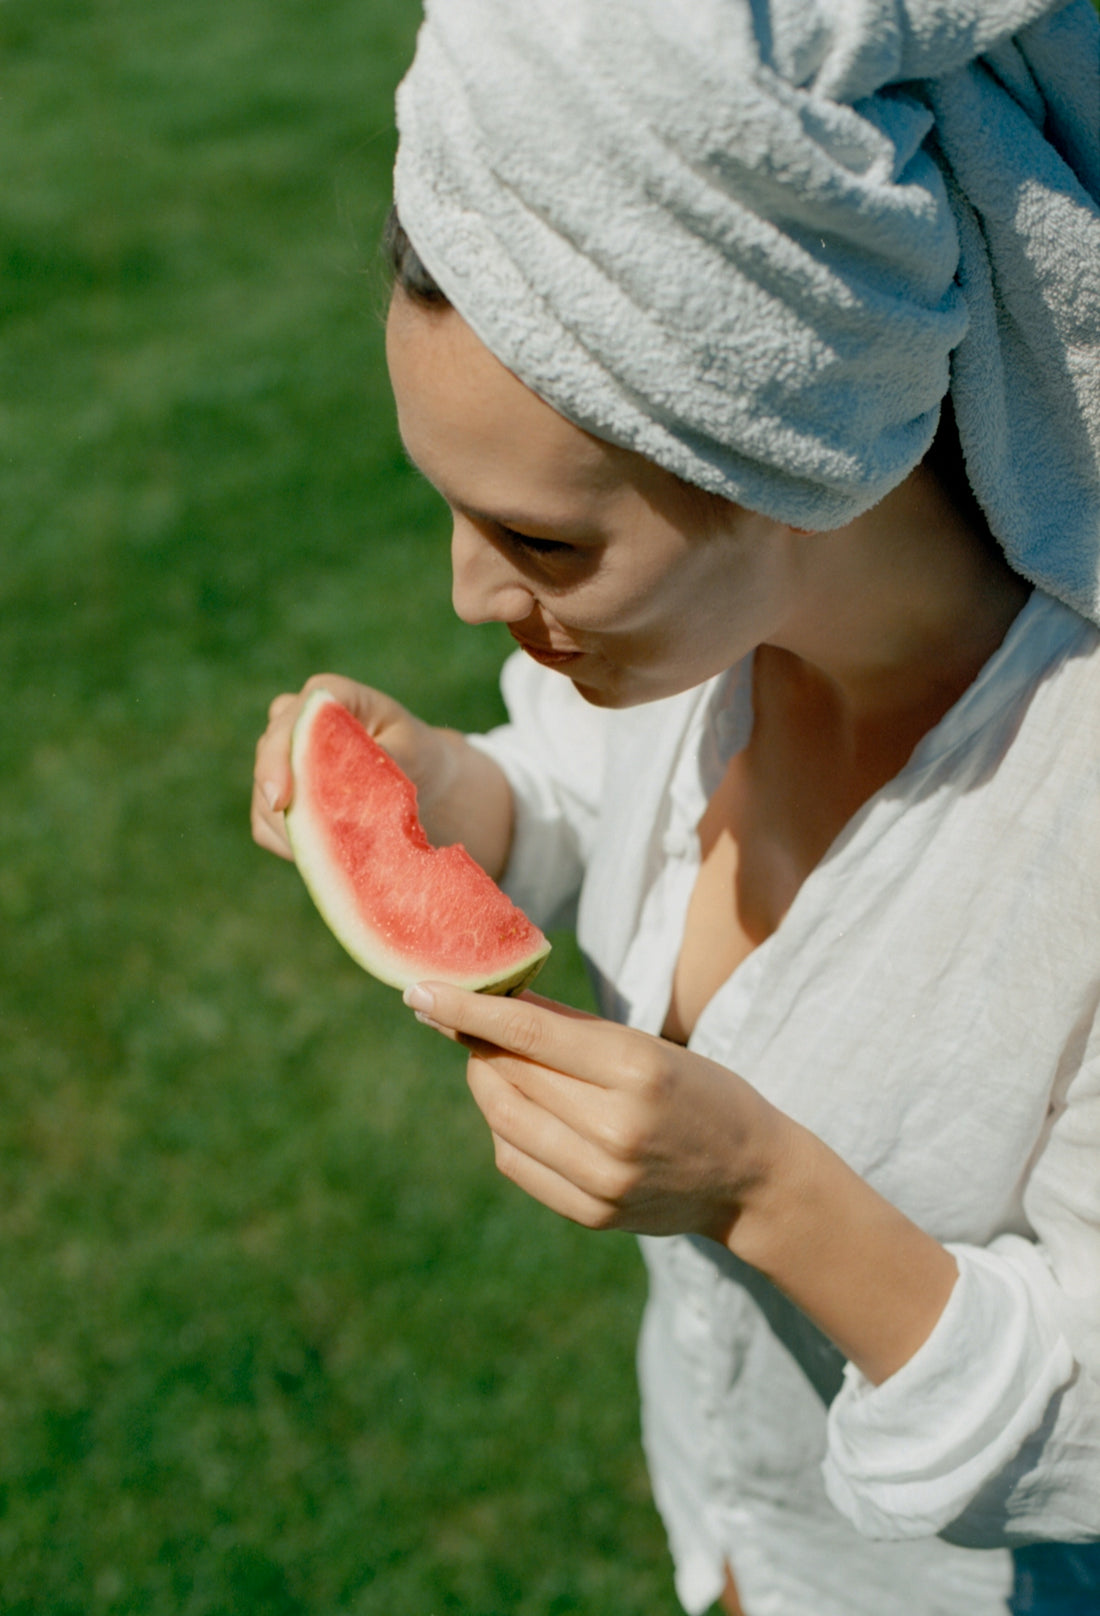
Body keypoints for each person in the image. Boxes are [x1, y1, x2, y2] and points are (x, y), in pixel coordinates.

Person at [252, 2, 1100, 1611]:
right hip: (731, 1534)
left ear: (795, 464)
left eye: (545, 545)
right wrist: (465, 793)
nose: (462, 593)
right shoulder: (672, 661)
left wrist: (763, 1190)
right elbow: (588, 797)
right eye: (443, 505)